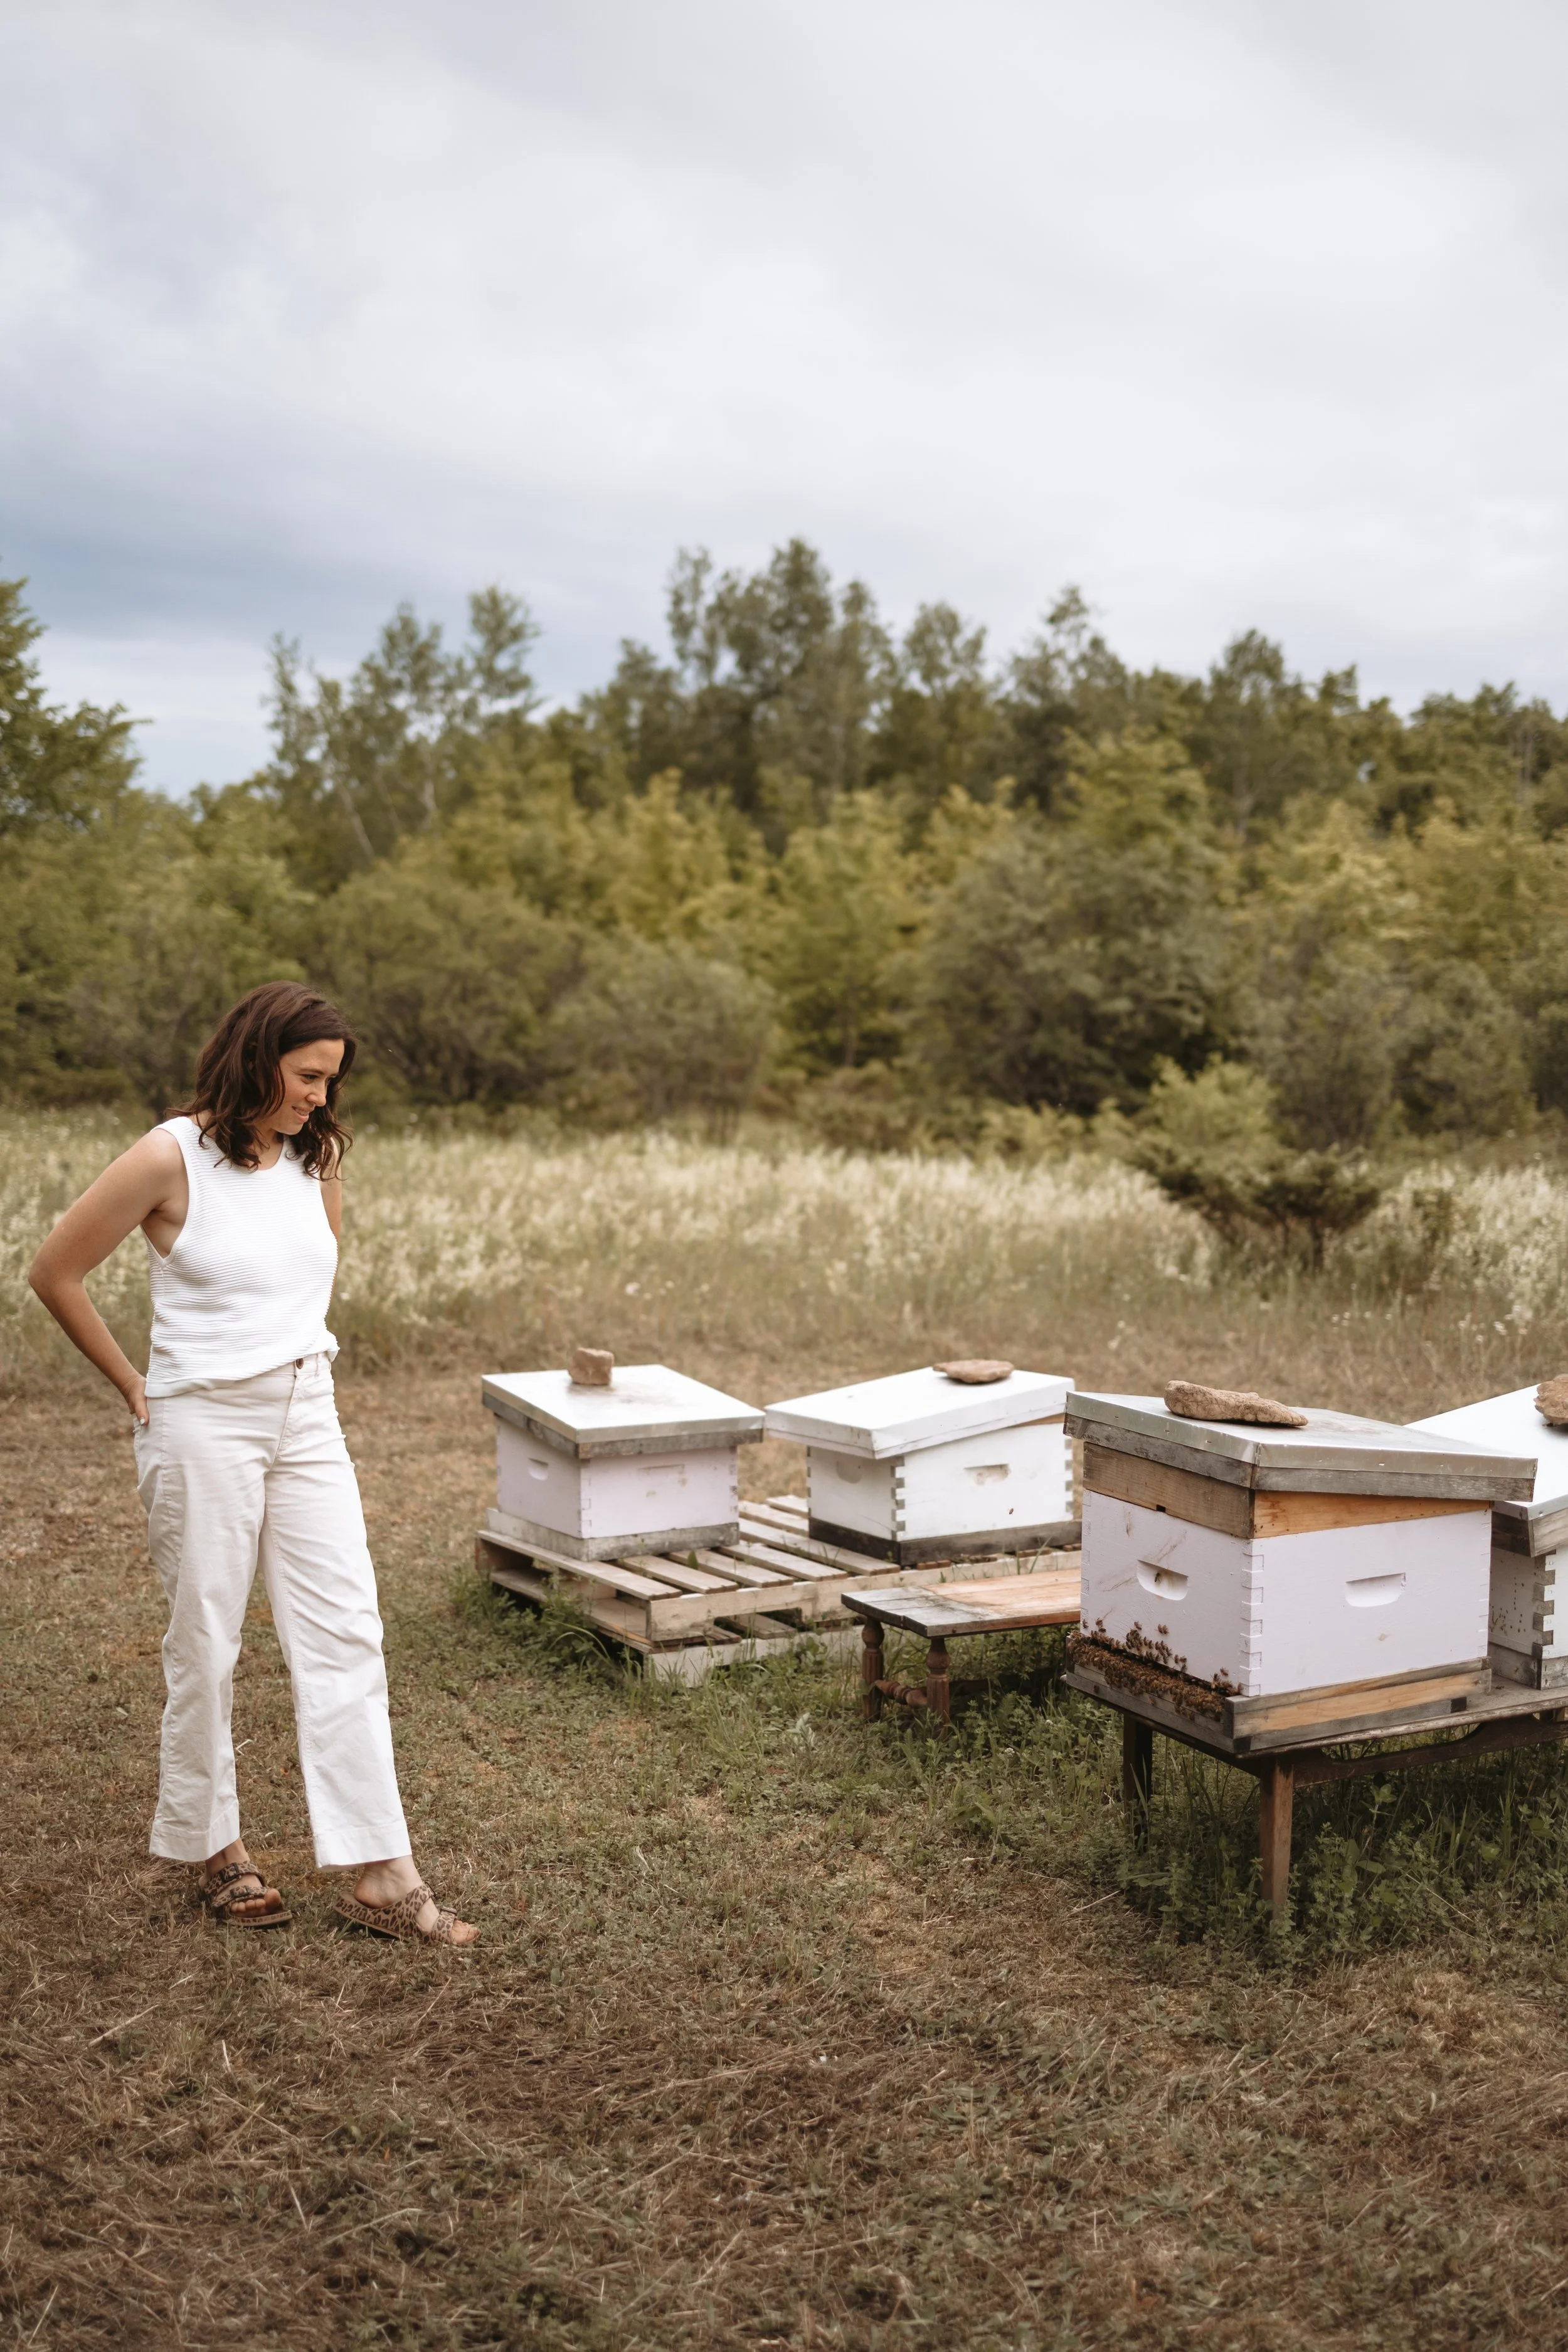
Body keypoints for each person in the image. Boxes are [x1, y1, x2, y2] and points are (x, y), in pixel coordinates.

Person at [28, 982, 477, 1946]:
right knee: (208, 1637)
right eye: (309, 1075)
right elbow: (52, 1270)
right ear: (258, 1055)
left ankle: (380, 1871)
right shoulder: (169, 1153)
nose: (321, 1095)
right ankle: (214, 1843)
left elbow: (307, 1289)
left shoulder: (319, 1159)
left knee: (348, 1628)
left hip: (308, 1411)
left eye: (331, 1080)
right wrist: (132, 1382)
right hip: (202, 1424)